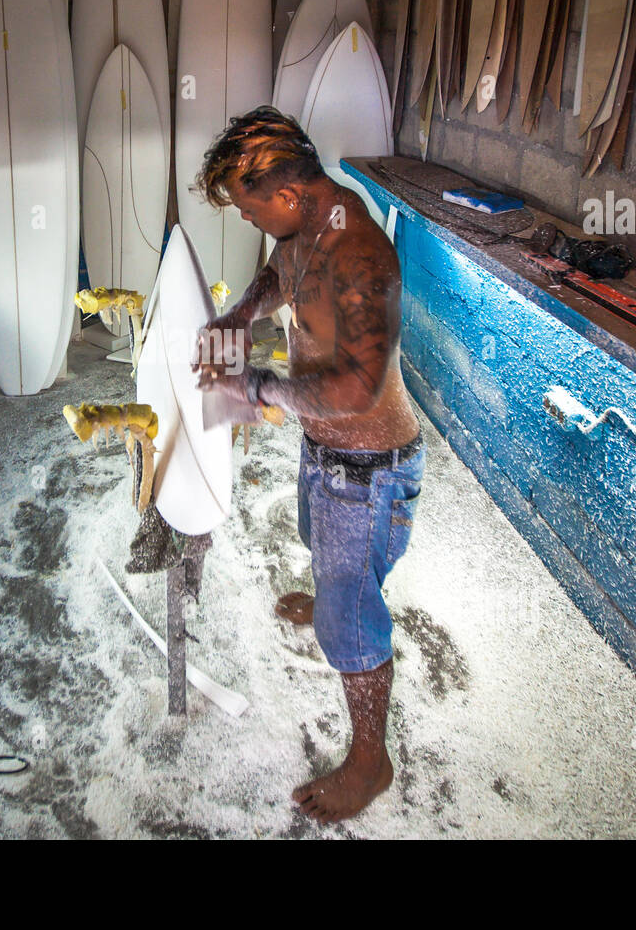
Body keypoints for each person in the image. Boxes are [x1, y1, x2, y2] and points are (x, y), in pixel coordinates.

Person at [193, 106, 425, 824]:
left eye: (248, 207)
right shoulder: (302, 227)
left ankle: (369, 760)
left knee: (349, 624)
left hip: (368, 466)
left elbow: (356, 391)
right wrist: (243, 315)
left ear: (287, 196)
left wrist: (256, 386)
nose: (247, 219)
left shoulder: (358, 256)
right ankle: (339, 591)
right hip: (326, 451)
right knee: (320, 546)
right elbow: (277, 274)